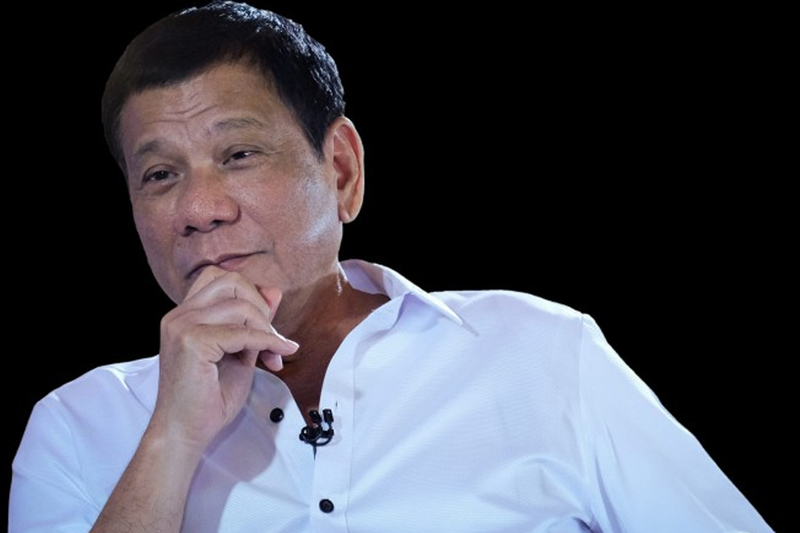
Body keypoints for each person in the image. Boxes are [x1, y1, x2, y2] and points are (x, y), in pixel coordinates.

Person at [9, 2, 775, 532]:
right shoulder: (78, 426)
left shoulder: (539, 351)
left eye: (238, 154)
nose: (198, 207)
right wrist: (172, 437)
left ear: (341, 170)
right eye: (160, 174)